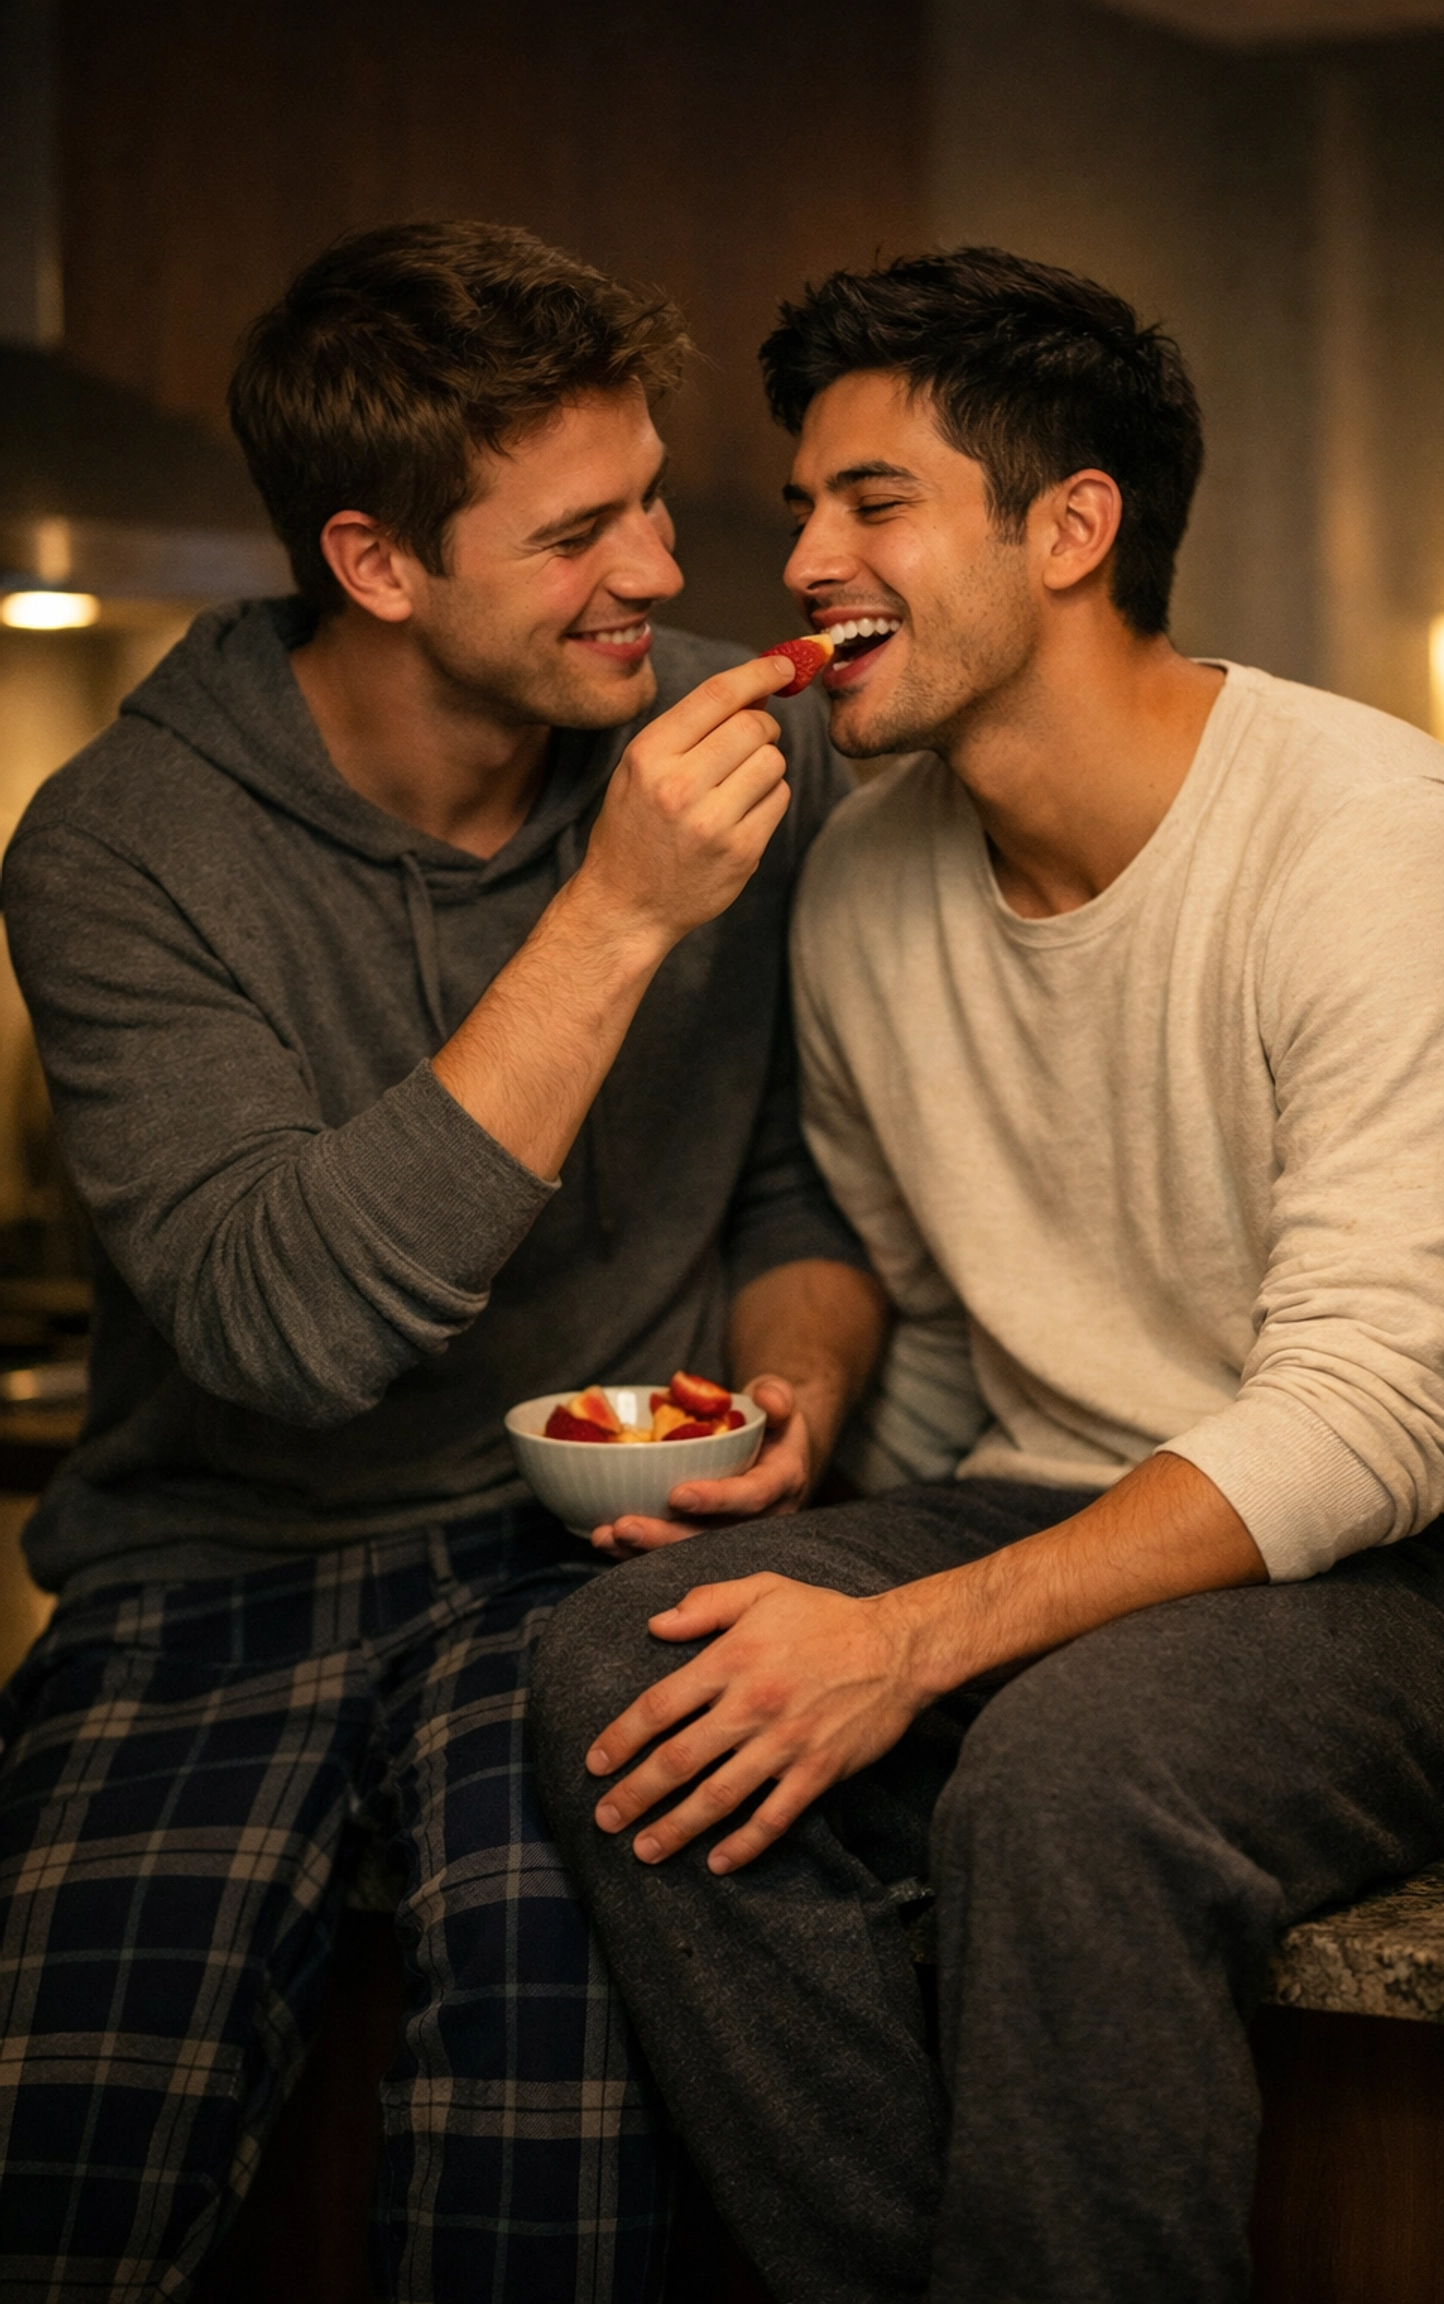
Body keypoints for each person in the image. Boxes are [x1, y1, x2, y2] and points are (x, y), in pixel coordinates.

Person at [531, 247, 1444, 2304]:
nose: (800, 556)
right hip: (1050, 1490)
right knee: (628, 1666)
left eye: (872, 501)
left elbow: (1369, 1420)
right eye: (804, 501)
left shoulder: (1382, 840)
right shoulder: (866, 882)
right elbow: (908, 1305)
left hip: (1440, 1562)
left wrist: (908, 1644)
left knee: (1072, 1780)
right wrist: (798, 1447)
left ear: (1072, 527)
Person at [0, 220, 885, 2301]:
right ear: (378, 564)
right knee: (65, 2144)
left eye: (654, 498)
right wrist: (615, 914)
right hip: (213, 1580)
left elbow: (797, 1190)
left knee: (549, 2120)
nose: (664, 576)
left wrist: (804, 1384)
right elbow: (282, 1326)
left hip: (575, 1567)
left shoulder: (747, 746)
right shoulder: (119, 850)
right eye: (579, 535)